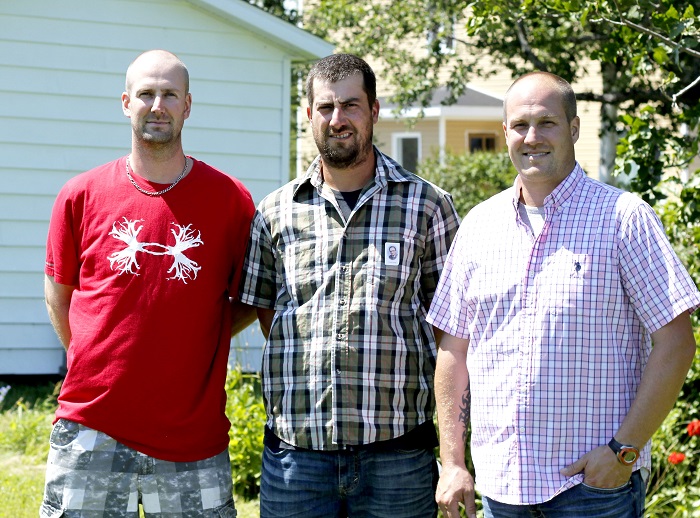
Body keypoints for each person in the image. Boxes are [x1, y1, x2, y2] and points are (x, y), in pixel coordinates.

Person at [428, 71, 700, 518]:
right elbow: (454, 351)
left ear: (574, 128)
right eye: (520, 125)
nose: (532, 137)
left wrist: (624, 451)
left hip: (592, 493)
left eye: (547, 123)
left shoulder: (623, 218)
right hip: (501, 491)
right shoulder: (478, 226)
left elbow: (676, 343)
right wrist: (454, 463)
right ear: (505, 133)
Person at [239, 53, 461, 517]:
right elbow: (269, 314)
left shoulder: (427, 206)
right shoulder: (275, 212)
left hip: (398, 458)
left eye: (350, 105)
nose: (337, 119)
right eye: (325, 107)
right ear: (309, 115)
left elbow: (451, 330)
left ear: (374, 110)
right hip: (297, 458)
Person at [41, 49, 256, 517]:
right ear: (125, 103)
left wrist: (200, 332)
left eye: (170, 95)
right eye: (146, 94)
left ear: (188, 105)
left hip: (192, 436)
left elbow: (248, 299)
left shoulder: (230, 200)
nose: (157, 105)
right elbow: (59, 295)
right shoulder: (80, 195)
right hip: (91, 427)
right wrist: (94, 360)